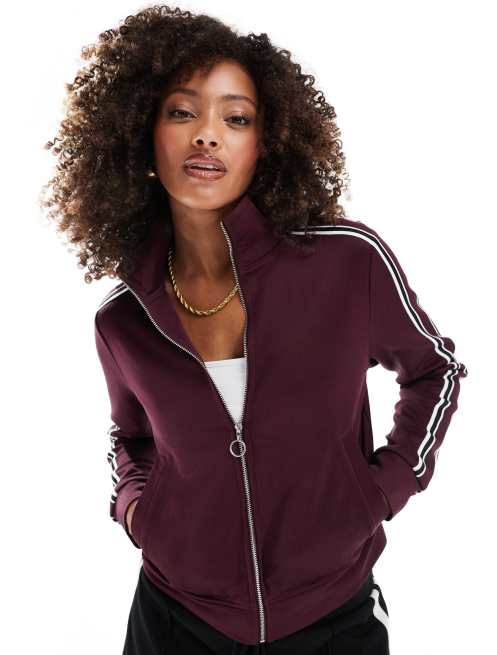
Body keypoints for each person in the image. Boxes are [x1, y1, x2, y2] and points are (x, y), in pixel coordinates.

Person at [40, 5, 468, 654]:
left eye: (236, 118)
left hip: (332, 613)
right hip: (174, 618)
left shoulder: (346, 261)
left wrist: (382, 489)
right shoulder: (123, 318)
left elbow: (435, 370)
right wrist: (138, 512)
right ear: (142, 138)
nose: (207, 135)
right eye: (181, 112)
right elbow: (132, 437)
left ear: (264, 144)